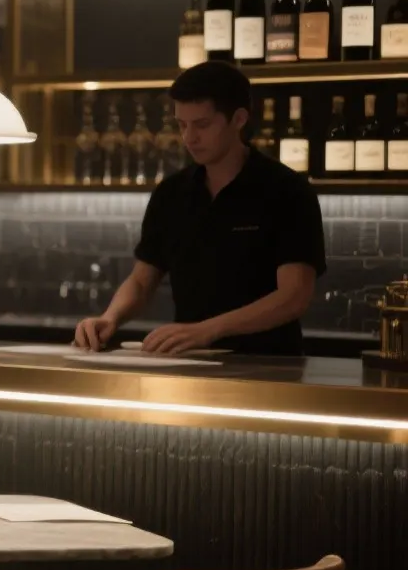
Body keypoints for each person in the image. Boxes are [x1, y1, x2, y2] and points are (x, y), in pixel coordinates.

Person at [74, 61, 324, 356]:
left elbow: (294, 296)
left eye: (202, 125)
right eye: (182, 124)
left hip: (270, 369)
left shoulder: (287, 190)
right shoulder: (171, 193)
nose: (189, 137)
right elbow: (142, 280)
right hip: (188, 369)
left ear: (239, 119)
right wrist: (109, 318)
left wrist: (207, 330)